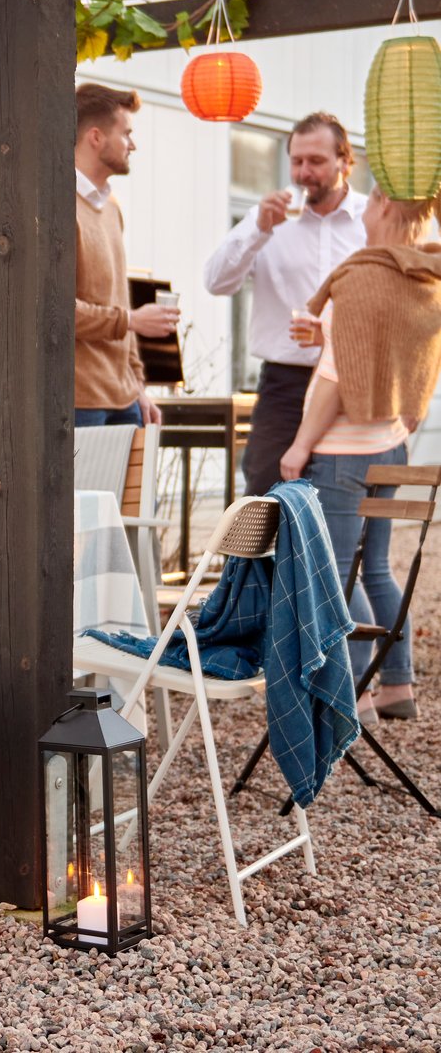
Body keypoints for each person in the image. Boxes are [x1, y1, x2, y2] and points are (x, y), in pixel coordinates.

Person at [279, 188, 441, 724]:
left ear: (386, 207)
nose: (364, 213)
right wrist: (323, 334)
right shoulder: (422, 276)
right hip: (388, 442)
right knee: (375, 570)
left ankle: (357, 695)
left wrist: (300, 445)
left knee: (339, 573)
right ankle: (398, 686)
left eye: (370, 202)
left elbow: (340, 373)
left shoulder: (366, 276)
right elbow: (403, 356)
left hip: (342, 451)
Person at [204, 112, 367, 494]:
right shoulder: (268, 218)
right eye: (296, 161)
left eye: (316, 161)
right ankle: (253, 559)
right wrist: (259, 228)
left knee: (342, 499)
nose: (303, 172)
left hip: (353, 380)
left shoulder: (369, 220)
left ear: (345, 161)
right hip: (285, 383)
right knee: (261, 498)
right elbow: (216, 282)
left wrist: (328, 332)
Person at [74, 83, 179, 427]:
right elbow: (55, 310)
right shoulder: (57, 206)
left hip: (125, 399)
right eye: (126, 134)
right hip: (79, 401)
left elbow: (119, 297)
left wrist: (138, 386)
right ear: (96, 137)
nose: (133, 144)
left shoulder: (111, 207)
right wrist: (133, 320)